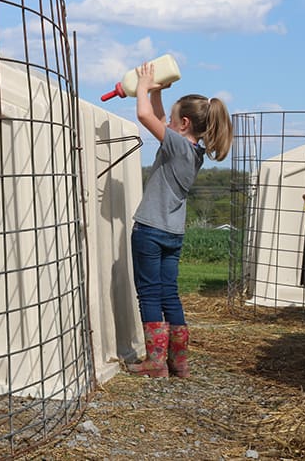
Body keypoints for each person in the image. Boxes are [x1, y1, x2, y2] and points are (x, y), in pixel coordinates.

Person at [126, 61, 233, 378]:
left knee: (148, 294)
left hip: (149, 229)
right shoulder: (192, 150)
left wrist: (143, 87)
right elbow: (160, 119)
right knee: (169, 293)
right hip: (173, 233)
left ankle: (155, 363)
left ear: (184, 124)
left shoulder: (174, 145)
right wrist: (157, 92)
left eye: (173, 120)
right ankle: (179, 363)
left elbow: (147, 117)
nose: (167, 123)